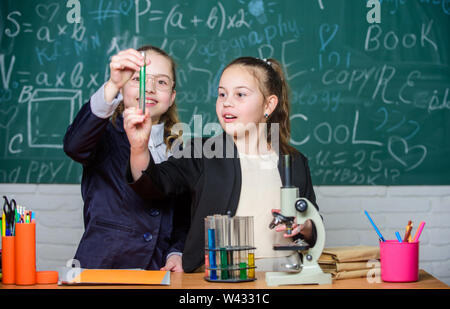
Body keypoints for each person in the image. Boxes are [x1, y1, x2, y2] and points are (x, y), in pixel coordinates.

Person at [124, 56, 319, 273]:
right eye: (222, 94)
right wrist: (139, 148)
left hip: (283, 280)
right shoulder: (200, 152)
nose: (227, 102)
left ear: (269, 104)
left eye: (240, 94)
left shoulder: (294, 162)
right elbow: (154, 185)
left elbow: (312, 222)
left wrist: (306, 227)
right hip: (217, 280)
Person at [63, 45, 189, 271]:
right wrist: (113, 85)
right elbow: (74, 146)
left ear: (171, 97)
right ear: (122, 89)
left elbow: (181, 217)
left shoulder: (180, 150)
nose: (149, 88)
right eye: (137, 79)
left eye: (161, 82)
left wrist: (176, 251)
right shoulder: (104, 135)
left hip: (157, 274)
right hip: (102, 270)